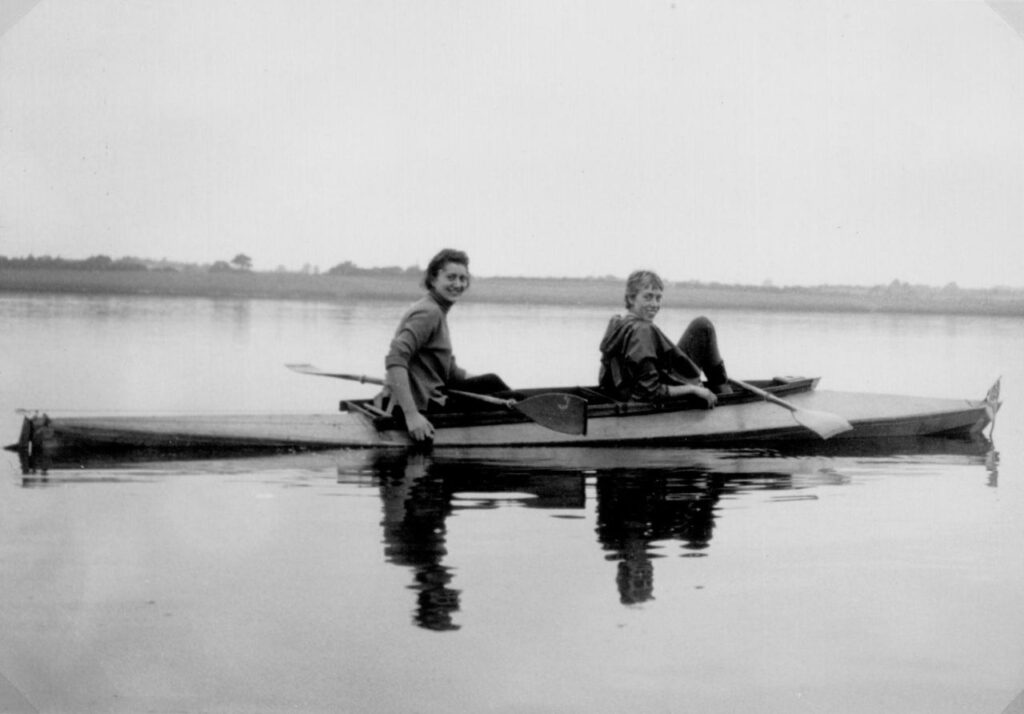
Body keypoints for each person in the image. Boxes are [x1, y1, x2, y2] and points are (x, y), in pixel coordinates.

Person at [383, 248, 508, 442]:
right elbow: (395, 358)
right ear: (433, 279)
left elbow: (448, 371)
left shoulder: (435, 309)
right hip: (424, 405)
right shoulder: (429, 313)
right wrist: (412, 416)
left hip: (429, 395)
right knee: (497, 389)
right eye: (451, 277)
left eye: (462, 279)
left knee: (491, 382)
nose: (458, 284)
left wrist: (482, 383)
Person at [598, 270, 731, 406]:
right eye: (648, 297)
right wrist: (692, 389)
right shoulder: (642, 330)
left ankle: (723, 390)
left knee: (701, 325)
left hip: (628, 392)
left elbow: (604, 382)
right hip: (643, 398)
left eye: (658, 298)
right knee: (703, 325)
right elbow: (649, 392)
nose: (655, 304)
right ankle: (727, 397)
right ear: (631, 298)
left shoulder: (618, 323)